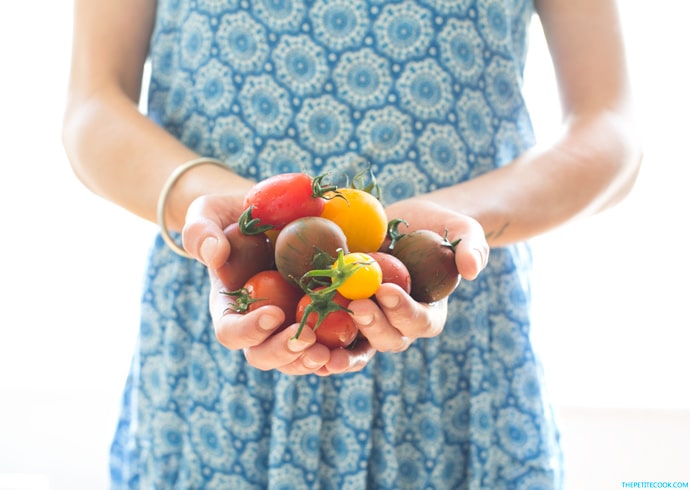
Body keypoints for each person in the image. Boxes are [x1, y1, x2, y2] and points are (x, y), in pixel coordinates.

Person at [62, 0, 641, 487]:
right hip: (219, 344)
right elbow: (94, 107)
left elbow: (609, 129)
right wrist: (235, 215)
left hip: (460, 359)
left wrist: (449, 229)